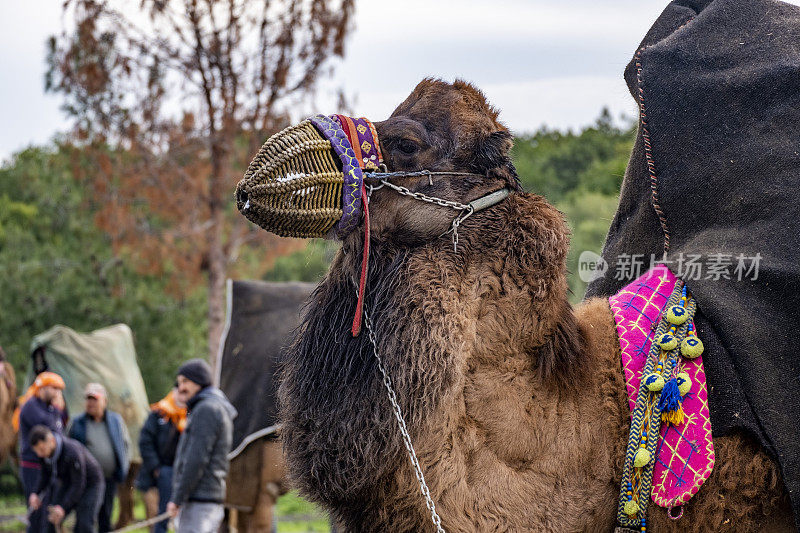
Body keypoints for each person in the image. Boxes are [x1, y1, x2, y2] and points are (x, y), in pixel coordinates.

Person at [166, 359, 237, 533]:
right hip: (204, 498)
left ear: (199, 381)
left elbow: (196, 459)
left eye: (185, 382)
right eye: (179, 382)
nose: (180, 387)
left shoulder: (207, 409)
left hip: (199, 500)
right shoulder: (212, 406)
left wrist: (177, 498)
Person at [68, 383, 130, 533]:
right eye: (88, 399)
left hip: (109, 478)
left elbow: (125, 445)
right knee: (85, 518)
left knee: (105, 517)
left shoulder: (116, 421)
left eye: (94, 399)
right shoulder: (77, 423)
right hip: (87, 481)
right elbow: (69, 449)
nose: (90, 403)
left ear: (104, 401)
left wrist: (123, 467)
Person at [28, 425, 104, 533]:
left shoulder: (72, 452)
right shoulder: (43, 456)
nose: (40, 454)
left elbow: (78, 484)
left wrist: (63, 507)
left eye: (42, 449)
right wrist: (35, 493)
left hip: (91, 484)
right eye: (37, 452)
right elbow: (44, 476)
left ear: (52, 441)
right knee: (51, 518)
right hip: (68, 483)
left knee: (84, 523)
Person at [18, 372, 67, 533]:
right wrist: (57, 410)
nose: (57, 393)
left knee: (48, 510)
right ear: (43, 387)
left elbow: (61, 428)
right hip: (32, 465)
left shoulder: (49, 408)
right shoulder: (31, 406)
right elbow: (51, 429)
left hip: (47, 465)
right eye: (54, 389)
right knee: (37, 512)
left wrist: (57, 410)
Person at [136, 387, 187, 533]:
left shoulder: (189, 416)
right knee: (156, 517)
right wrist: (156, 468)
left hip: (178, 475)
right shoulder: (158, 413)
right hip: (155, 475)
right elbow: (145, 442)